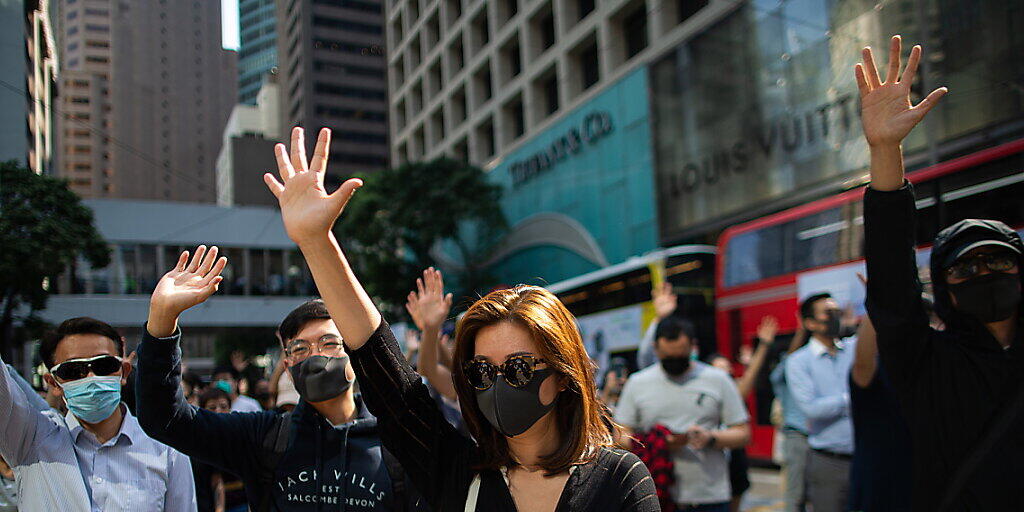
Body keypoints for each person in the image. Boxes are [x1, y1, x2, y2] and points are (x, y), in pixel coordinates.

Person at [262, 126, 658, 511]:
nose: (498, 385)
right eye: (482, 372)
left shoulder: (619, 478)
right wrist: (317, 243)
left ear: (562, 373)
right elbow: (385, 375)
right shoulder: (456, 472)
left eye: (518, 369)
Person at [858, 35, 1023, 510]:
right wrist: (886, 150)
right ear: (944, 288)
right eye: (965, 267)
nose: (983, 272)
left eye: (997, 261)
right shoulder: (925, 362)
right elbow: (891, 283)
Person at [135, 246, 427, 511]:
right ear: (287, 365)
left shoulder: (397, 440)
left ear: (353, 354)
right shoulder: (263, 437)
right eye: (300, 348)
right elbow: (165, 418)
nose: (315, 356)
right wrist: (162, 319)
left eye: (329, 343)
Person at [0, 317, 196, 511]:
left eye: (104, 366)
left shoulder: (165, 448)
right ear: (53, 383)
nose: (91, 378)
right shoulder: (30, 439)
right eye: (74, 370)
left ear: (124, 372)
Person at [616, 316, 751, 512]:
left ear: (693, 347)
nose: (674, 364)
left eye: (680, 357)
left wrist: (711, 438)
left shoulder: (718, 379)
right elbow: (619, 435)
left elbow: (743, 433)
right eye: (668, 358)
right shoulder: (638, 383)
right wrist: (657, 442)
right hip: (655, 495)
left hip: (708, 496)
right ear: (656, 349)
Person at [785, 293, 857, 512]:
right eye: (828, 313)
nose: (835, 317)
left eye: (837, 311)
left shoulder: (854, 349)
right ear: (810, 323)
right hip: (829, 462)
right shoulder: (799, 361)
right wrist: (852, 398)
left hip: (864, 455)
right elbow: (811, 408)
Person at [707, 315, 778, 512]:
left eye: (727, 373)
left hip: (734, 460)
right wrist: (762, 346)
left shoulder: (732, 393)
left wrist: (761, 350)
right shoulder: (702, 397)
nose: (724, 378)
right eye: (718, 372)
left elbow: (744, 387)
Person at [768, 323, 810, 512]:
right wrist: (802, 332)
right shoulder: (788, 368)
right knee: (796, 495)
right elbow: (790, 361)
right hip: (798, 435)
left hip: (822, 438)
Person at [194, 387, 248, 512]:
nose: (218, 411)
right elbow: (217, 482)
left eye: (223, 406)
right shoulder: (199, 442)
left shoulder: (241, 437)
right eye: (212, 407)